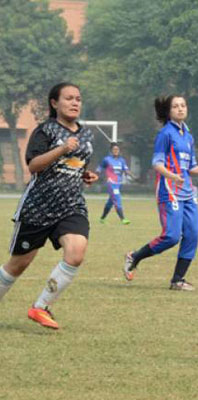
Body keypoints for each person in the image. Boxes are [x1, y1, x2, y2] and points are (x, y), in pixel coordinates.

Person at [0, 82, 98, 329]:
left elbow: (77, 165)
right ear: (54, 103)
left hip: (71, 206)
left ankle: (40, 307)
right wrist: (62, 149)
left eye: (78, 98)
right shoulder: (45, 131)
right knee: (17, 265)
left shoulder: (86, 135)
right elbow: (34, 166)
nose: (75, 103)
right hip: (38, 208)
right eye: (69, 98)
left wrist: (86, 175)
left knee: (76, 252)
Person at [123, 95, 198, 291]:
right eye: (175, 106)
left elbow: (192, 168)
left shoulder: (188, 136)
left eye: (183, 105)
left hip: (187, 193)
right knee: (171, 236)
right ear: (169, 111)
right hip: (169, 190)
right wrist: (172, 176)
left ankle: (178, 280)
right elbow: (157, 164)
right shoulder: (165, 134)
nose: (180, 109)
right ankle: (134, 257)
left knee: (192, 235)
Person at [96, 142, 135, 224]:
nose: (116, 151)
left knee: (110, 202)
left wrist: (132, 176)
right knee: (117, 199)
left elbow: (126, 170)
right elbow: (100, 168)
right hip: (111, 182)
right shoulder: (107, 159)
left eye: (117, 149)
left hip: (118, 183)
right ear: (111, 150)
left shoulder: (122, 160)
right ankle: (123, 219)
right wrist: (96, 174)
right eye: (114, 149)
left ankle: (102, 218)